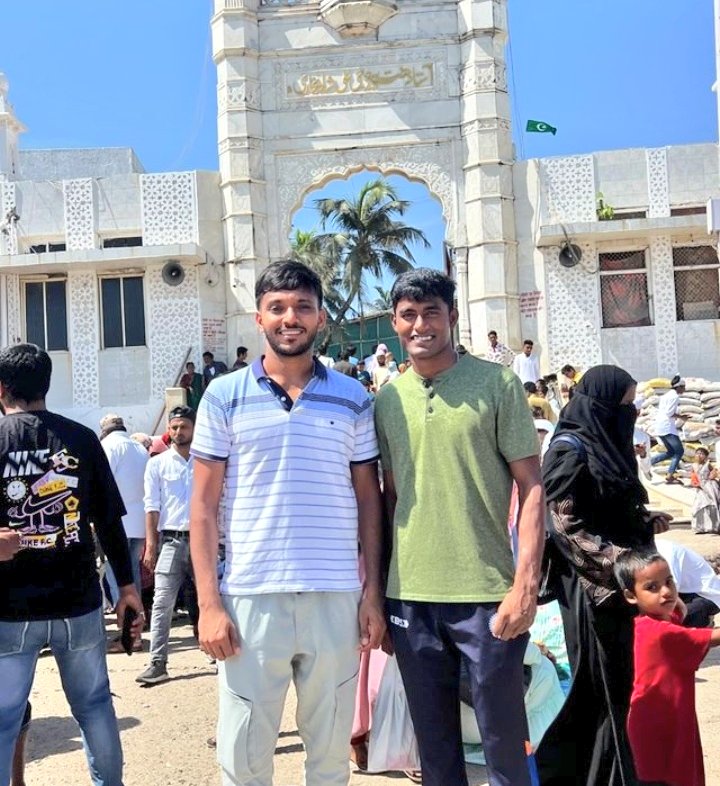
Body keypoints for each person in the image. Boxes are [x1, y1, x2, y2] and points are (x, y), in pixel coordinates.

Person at [190, 260, 385, 786]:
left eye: (302, 307)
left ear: (321, 317)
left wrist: (372, 596)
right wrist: (209, 604)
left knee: (328, 757)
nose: (290, 318)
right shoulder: (222, 396)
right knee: (245, 756)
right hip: (251, 597)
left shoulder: (354, 398)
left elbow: (370, 499)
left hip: (336, 596)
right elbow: (203, 508)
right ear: (259, 318)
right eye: (277, 308)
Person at [374, 268, 545, 786]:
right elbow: (390, 500)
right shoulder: (386, 400)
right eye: (409, 315)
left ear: (452, 316)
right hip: (411, 597)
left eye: (432, 312)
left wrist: (525, 584)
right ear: (394, 323)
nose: (420, 324)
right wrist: (381, 596)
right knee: (435, 750)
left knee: (503, 748)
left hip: (488, 597)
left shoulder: (498, 384)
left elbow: (532, 488)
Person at [0, 343, 143, 786]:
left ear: (1, 388)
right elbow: (110, 523)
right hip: (78, 602)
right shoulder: (82, 438)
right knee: (95, 706)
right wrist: (126, 589)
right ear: (47, 384)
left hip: (10, 609)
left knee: (3, 721)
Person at [534, 365, 671, 786]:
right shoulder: (570, 451)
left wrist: (644, 522)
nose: (629, 412)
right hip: (591, 595)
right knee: (599, 693)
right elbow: (565, 528)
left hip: (622, 591)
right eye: (624, 405)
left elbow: (605, 507)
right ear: (601, 406)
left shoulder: (605, 444)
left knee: (624, 689)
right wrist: (625, 566)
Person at [614, 549, 720, 786]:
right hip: (660, 726)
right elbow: (708, 637)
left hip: (667, 718)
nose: (665, 592)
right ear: (631, 596)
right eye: (652, 587)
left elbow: (677, 613)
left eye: (669, 582)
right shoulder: (659, 633)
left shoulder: (651, 621)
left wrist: (677, 603)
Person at [136, 406, 198, 685]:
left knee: (213, 598)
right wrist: (151, 545)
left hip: (204, 540)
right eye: (174, 427)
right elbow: (151, 507)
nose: (178, 432)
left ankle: (219, 655)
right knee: (162, 603)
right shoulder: (157, 464)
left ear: (194, 428)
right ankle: (157, 662)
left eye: (183, 426)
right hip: (171, 540)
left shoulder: (207, 461)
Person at [100, 413, 150, 605]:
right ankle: (136, 619)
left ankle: (128, 625)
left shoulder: (108, 446)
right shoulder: (139, 447)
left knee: (116, 572)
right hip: (139, 521)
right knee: (132, 571)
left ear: (104, 430)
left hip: (117, 521)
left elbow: (103, 483)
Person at [655, 538, 720, 628]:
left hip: (704, 595)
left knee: (666, 622)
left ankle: (703, 623)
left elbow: (670, 591)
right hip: (684, 591)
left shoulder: (665, 551)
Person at [651, 375, 687, 485]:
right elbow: (669, 413)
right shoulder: (674, 397)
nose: (684, 389)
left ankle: (648, 462)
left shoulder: (666, 395)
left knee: (671, 452)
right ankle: (670, 475)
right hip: (668, 428)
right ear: (679, 387)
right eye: (683, 387)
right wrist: (682, 417)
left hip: (661, 427)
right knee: (679, 451)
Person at [690, 447, 720, 534]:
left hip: (710, 487)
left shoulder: (708, 464)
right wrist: (695, 483)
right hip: (700, 487)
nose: (699, 455)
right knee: (699, 506)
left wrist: (712, 476)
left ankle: (713, 527)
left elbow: (714, 473)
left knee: (711, 505)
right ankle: (700, 527)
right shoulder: (693, 465)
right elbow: (693, 476)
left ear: (706, 456)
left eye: (702, 454)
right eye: (697, 453)